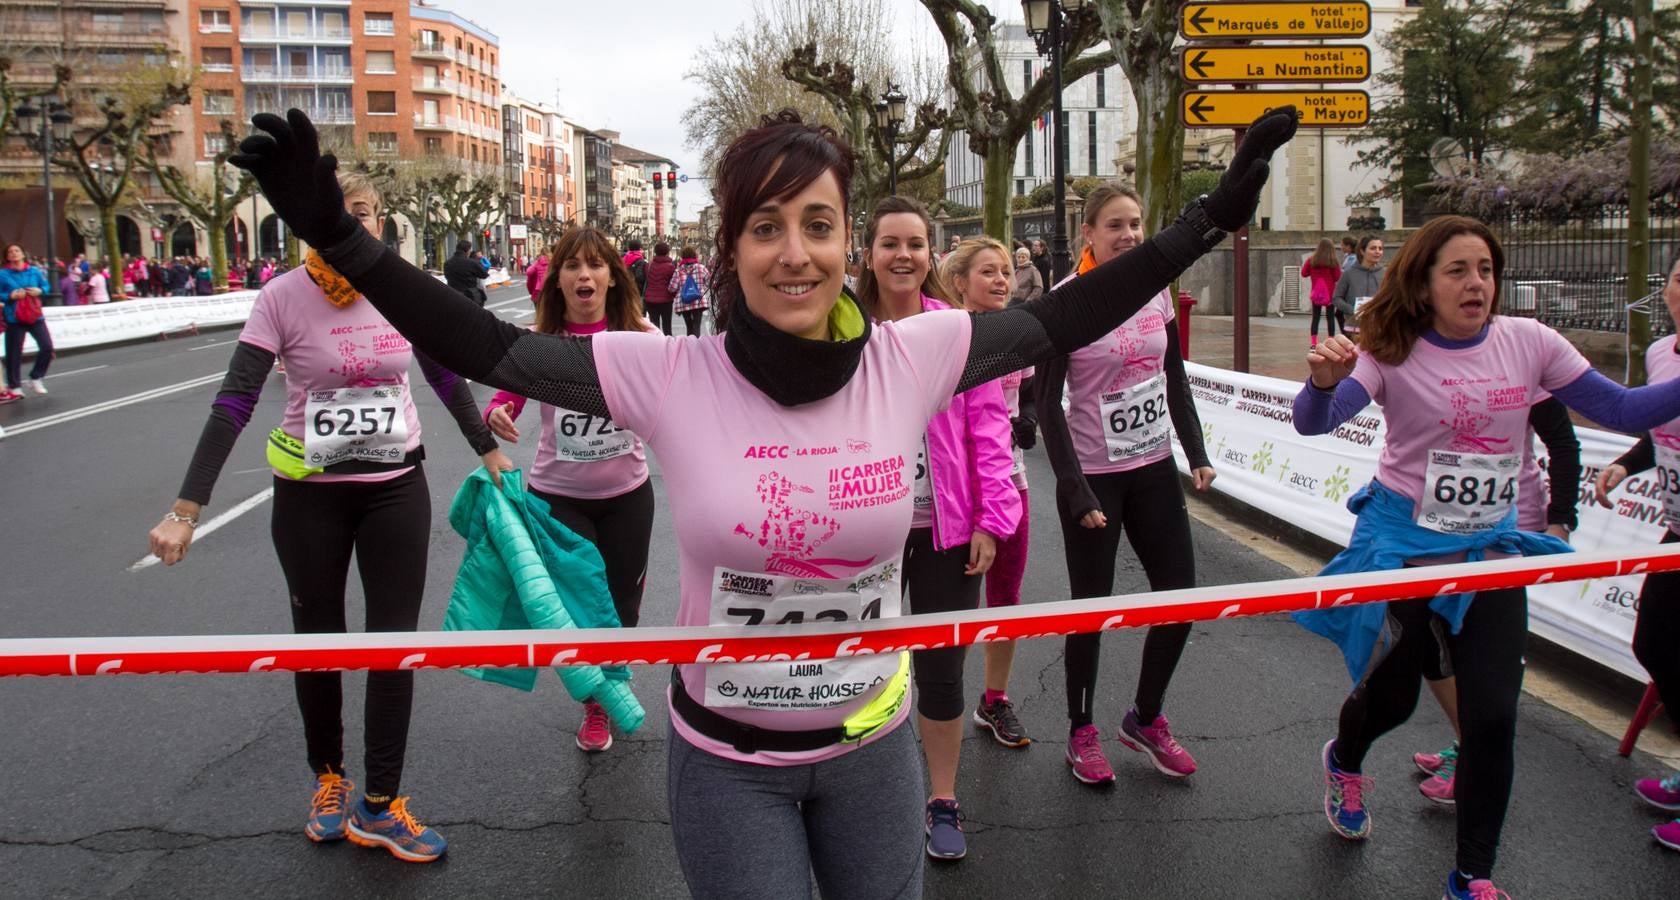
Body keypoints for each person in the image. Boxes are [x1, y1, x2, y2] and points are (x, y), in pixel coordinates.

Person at [228, 103, 1294, 899]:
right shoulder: (669, 373)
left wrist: (1206, 219)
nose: (797, 252)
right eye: (768, 227)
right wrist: (345, 241)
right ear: (730, 251)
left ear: (847, 243)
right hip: (729, 769)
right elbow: (488, 343)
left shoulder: (914, 355)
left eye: (821, 225)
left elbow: (1064, 320)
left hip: (873, 757)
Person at [1292, 216, 1680, 899]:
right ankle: (1346, 759)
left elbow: (1622, 410)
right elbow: (1317, 421)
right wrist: (1323, 384)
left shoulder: (1530, 342)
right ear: (1423, 282)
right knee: (1393, 695)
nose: (1477, 284)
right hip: (1405, 547)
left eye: (1487, 270)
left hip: (1489, 550)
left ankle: (1471, 877)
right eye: (1458, 271)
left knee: (1493, 716)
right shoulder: (1389, 348)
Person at [145, 171, 514, 865]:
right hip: (309, 495)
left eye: (365, 211)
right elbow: (234, 400)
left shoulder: (397, 286)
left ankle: (380, 802)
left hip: (395, 488)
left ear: (379, 222)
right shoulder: (281, 297)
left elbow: (439, 373)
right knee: (317, 641)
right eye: (337, 213)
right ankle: (329, 779)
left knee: (391, 644)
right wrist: (186, 508)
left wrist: (486, 448)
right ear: (310, 223)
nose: (353, 222)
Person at [1034, 183, 1216, 786]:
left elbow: (1174, 377)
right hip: (1095, 476)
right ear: (1088, 234)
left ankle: (1146, 717)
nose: (1131, 236)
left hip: (1153, 467)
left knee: (1180, 596)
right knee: (1093, 607)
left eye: (1137, 224)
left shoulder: (1155, 294)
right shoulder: (1068, 302)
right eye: (1116, 225)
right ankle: (1081, 730)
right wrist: (1073, 486)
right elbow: (1047, 404)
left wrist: (1197, 452)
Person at [856, 197, 1020, 861]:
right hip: (865, 534)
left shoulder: (956, 330)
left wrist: (991, 519)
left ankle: (942, 799)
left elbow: (989, 427)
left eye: (915, 244)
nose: (903, 255)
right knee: (866, 668)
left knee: (942, 672)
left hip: (948, 533)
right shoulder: (842, 328)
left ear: (932, 256)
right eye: (889, 242)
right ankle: (867, 794)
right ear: (867, 252)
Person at [484, 226, 659, 753]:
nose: (585, 274)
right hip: (559, 497)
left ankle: (610, 679)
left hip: (628, 495)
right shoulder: (540, 345)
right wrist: (496, 413)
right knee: (582, 606)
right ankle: (595, 705)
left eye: (596, 265)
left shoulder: (641, 341)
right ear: (556, 281)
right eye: (573, 266)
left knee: (622, 606)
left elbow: (682, 396)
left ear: (612, 276)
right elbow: (504, 398)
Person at [1411, 394, 1580, 806]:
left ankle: (1475, 755)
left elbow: (1562, 439)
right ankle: (1468, 742)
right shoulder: (1420, 350)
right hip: (1436, 533)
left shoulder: (1520, 355)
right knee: (1433, 649)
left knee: (1482, 660)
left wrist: (1561, 520)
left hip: (1500, 538)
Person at [1591, 244, 1680, 854]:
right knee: (1654, 642)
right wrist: (1625, 462)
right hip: (1675, 531)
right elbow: (1655, 429)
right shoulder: (1659, 353)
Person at [944, 235, 1037, 751]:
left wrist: (1027, 424)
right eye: (988, 272)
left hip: (1011, 486)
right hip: (956, 495)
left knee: (1006, 598)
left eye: (1005, 271)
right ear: (960, 283)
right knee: (949, 605)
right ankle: (942, 699)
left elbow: (1024, 401)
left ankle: (995, 700)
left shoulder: (1016, 337)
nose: (1002, 280)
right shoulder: (945, 337)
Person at [1, 243, 53, 401]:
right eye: (10, 252)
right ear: (7, 257)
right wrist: (10, 296)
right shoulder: (3, 274)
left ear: (23, 254)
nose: (14, 253)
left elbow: (46, 286)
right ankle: (15, 386)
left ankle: (36, 377)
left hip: (35, 315)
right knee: (14, 353)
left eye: (17, 250)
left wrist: (41, 291)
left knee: (47, 346)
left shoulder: (34, 271)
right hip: (14, 317)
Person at [1332, 235, 1384, 336]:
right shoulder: (1349, 273)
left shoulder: (1385, 274)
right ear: (1362, 251)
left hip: (1379, 329)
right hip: (1354, 330)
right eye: (1373, 248)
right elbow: (1336, 298)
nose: (1377, 251)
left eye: (1380, 248)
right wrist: (1353, 310)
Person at [1303, 237, 1343, 347]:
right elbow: (1337, 277)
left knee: (1315, 317)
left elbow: (1304, 273)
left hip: (1316, 293)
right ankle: (1330, 340)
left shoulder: (1311, 260)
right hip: (1330, 294)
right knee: (1330, 317)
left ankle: (1313, 342)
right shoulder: (1333, 262)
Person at [669, 246, 710, 337]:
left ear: (682, 256)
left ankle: (690, 345)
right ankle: (696, 345)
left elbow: (672, 288)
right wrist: (701, 286)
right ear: (694, 255)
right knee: (697, 325)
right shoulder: (701, 268)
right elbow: (709, 282)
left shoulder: (678, 270)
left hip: (684, 302)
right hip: (698, 301)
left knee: (689, 326)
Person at [642, 242, 677, 335]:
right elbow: (673, 283)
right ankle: (668, 347)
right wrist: (673, 295)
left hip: (650, 300)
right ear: (667, 252)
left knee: (654, 327)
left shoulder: (648, 266)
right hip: (666, 300)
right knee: (667, 327)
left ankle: (655, 346)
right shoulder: (670, 267)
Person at [444, 240, 487, 306]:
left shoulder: (447, 263)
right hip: (470, 296)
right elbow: (484, 274)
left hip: (453, 296)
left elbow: (446, 276)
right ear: (468, 250)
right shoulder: (471, 262)